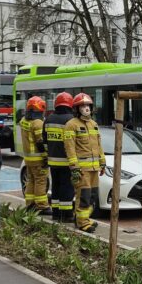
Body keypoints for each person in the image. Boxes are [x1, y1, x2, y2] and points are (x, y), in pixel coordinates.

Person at [63, 93, 105, 233]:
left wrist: (102, 163)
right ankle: (82, 223)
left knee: (93, 196)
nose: (86, 108)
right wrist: (74, 168)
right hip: (82, 170)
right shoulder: (71, 125)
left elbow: (99, 145)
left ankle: (83, 218)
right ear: (76, 108)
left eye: (88, 105)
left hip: (94, 169)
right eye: (82, 105)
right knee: (84, 196)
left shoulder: (93, 124)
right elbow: (70, 148)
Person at [44, 92, 75, 223]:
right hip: (67, 161)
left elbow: (44, 141)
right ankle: (66, 215)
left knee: (55, 186)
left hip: (52, 161)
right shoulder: (71, 120)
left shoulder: (49, 119)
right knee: (67, 188)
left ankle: (56, 213)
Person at [19, 96, 50, 214]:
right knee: (41, 181)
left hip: (28, 158)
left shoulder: (23, 121)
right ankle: (42, 206)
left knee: (31, 180)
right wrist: (46, 156)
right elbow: (40, 142)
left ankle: (30, 204)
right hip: (38, 158)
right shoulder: (38, 123)